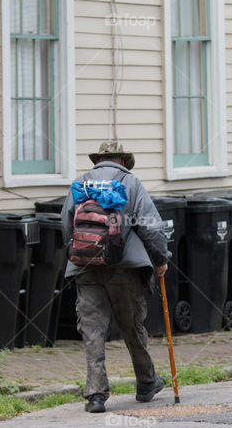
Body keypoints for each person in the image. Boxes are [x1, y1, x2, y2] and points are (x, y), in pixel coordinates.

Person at [61, 141, 170, 413]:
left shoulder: (81, 183)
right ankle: (146, 382)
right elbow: (150, 227)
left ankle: (96, 395)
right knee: (132, 324)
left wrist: (78, 254)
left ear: (99, 159)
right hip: (124, 267)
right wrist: (160, 260)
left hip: (85, 267)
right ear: (123, 160)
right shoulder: (130, 183)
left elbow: (65, 223)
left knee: (92, 329)